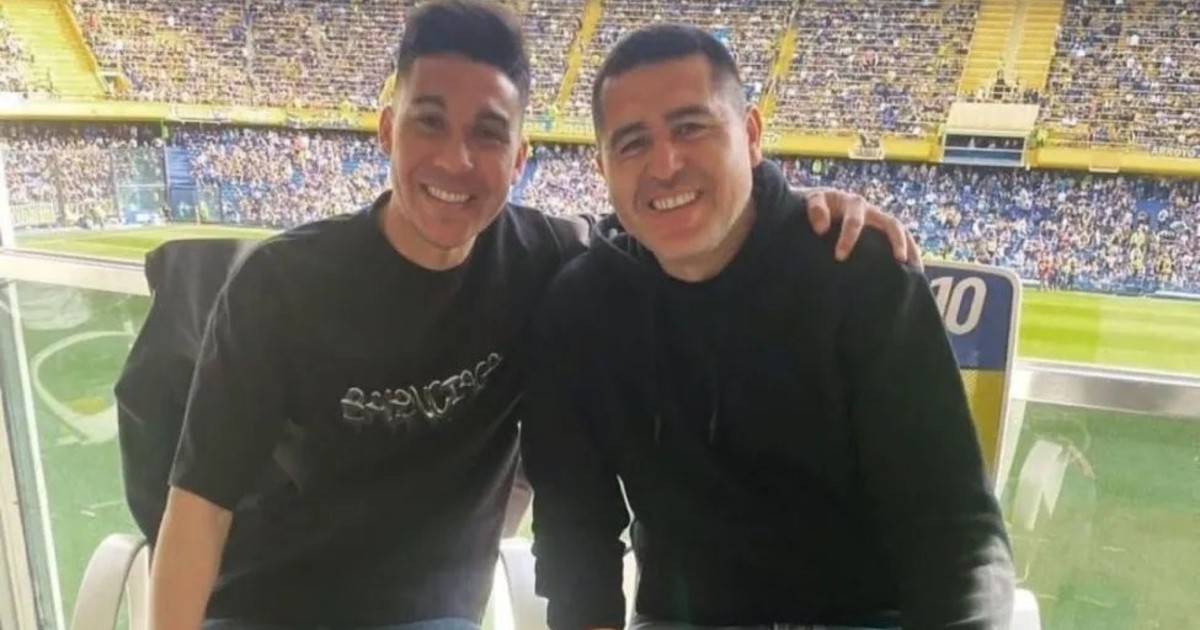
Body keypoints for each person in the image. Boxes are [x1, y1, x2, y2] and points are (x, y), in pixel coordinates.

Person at [148, 2, 917, 629]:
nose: (456, 160)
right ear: (385, 131)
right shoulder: (279, 284)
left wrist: (798, 215)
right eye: (428, 122)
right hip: (267, 609)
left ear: (519, 160)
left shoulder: (552, 262)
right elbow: (199, 506)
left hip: (430, 614)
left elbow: (687, 224)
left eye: (487, 134)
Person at [521, 24, 1016, 630]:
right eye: (632, 143)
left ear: (750, 135)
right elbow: (576, 538)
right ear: (602, 168)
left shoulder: (857, 272)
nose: (665, 164)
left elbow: (953, 526)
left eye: (691, 127)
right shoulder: (580, 309)